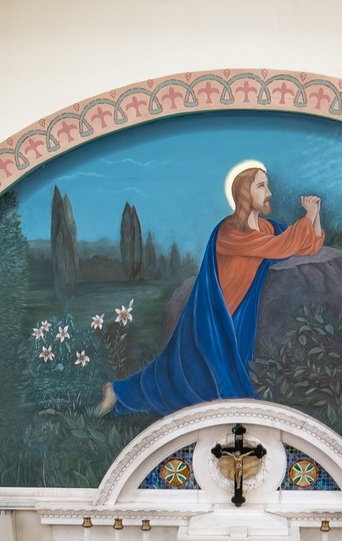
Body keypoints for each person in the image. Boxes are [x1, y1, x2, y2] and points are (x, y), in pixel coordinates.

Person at [97, 161, 324, 416]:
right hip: (213, 318)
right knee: (182, 375)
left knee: (179, 376)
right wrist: (306, 217)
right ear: (244, 193)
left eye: (267, 186)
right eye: (261, 186)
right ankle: (118, 391)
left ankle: (119, 391)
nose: (269, 193)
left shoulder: (267, 228)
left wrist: (313, 217)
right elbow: (281, 246)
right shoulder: (229, 231)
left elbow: (304, 245)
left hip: (238, 315)